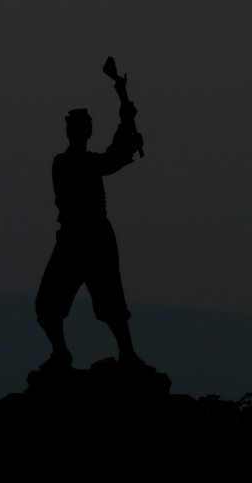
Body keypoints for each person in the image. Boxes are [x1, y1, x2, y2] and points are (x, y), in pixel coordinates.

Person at [35, 101, 152, 371]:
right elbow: (110, 161)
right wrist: (125, 130)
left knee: (111, 302)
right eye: (77, 127)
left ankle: (127, 353)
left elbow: (111, 160)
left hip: (95, 238)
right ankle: (62, 353)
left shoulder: (84, 162)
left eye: (85, 127)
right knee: (48, 303)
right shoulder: (65, 163)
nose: (81, 131)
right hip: (74, 238)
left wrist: (125, 130)